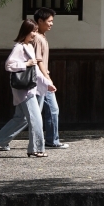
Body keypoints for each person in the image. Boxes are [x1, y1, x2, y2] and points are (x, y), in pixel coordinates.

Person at [0, 19, 56, 157]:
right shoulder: (19, 47)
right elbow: (9, 65)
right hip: (24, 90)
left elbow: (36, 70)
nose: (34, 34)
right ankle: (36, 149)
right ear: (25, 31)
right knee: (36, 119)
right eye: (32, 31)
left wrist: (47, 83)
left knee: (21, 119)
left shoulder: (30, 47)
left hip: (29, 88)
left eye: (35, 31)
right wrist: (25, 64)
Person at [33, 8, 68, 149]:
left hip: (41, 78)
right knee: (50, 110)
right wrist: (48, 79)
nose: (51, 24)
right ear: (40, 21)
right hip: (40, 79)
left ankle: (1, 138)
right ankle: (52, 140)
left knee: (28, 114)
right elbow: (38, 60)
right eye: (49, 21)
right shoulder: (36, 37)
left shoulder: (41, 36)